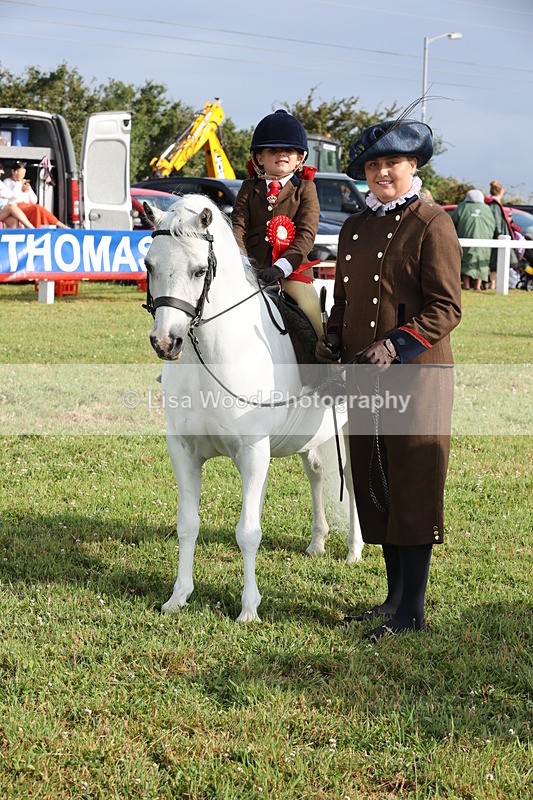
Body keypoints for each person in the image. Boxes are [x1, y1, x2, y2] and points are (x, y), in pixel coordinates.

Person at [315, 116, 462, 641]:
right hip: (363, 377)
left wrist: (396, 343)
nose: (382, 173)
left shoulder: (431, 223)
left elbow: (447, 307)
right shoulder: (355, 226)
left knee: (412, 479)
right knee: (376, 480)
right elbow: (347, 300)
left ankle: (412, 612)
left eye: (392, 163)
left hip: (417, 376)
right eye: (373, 165)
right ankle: (392, 599)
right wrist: (333, 338)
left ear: (413, 165)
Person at [231, 109, 322, 337]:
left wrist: (282, 267)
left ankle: (325, 366)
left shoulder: (305, 189)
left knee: (313, 319)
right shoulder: (248, 188)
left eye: (288, 150)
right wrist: (244, 263)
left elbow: (306, 234)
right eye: (273, 150)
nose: (281, 154)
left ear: (299, 158)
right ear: (259, 158)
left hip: (292, 274)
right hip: (251, 273)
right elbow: (238, 226)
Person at [450, 189, 496, 290]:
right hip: (484, 241)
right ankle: (477, 286)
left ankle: (466, 285)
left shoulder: (462, 207)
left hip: (465, 238)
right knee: (481, 261)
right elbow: (493, 224)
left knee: (466, 259)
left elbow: (452, 222)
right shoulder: (487, 209)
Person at [1, 161, 69, 228]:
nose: (22, 175)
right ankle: (39, 228)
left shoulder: (25, 182)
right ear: (14, 172)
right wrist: (19, 183)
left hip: (27, 205)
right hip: (17, 206)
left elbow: (34, 200)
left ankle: (60, 225)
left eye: (24, 173)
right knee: (36, 208)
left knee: (38, 208)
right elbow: (11, 197)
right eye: (21, 173)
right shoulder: (7, 182)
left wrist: (28, 191)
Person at [485, 179, 518, 289]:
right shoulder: (495, 205)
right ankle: (493, 284)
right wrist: (499, 234)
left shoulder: (493, 204)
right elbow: (497, 221)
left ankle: (494, 283)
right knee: (496, 262)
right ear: (500, 191)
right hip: (498, 237)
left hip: (498, 237)